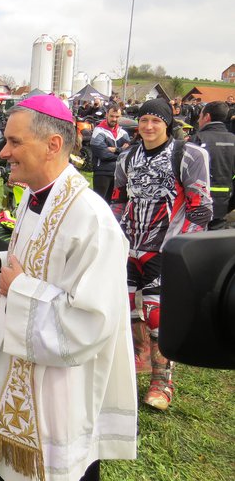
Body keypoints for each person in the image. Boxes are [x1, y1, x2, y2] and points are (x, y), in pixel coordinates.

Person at [0, 95, 137, 481]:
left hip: (54, 396)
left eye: (15, 142)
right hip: (8, 376)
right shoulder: (34, 197)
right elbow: (35, 262)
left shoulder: (92, 220)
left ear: (53, 144)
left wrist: (18, 288)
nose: (4, 151)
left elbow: (91, 321)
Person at [111, 98, 212, 410]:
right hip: (129, 246)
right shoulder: (127, 156)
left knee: (157, 314)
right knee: (124, 308)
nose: (149, 126)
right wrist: (113, 236)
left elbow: (201, 210)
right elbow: (117, 199)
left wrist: (183, 252)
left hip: (166, 247)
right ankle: (136, 362)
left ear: (168, 123)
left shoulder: (188, 154)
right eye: (144, 120)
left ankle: (162, 381)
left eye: (156, 120)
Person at [190, 101, 235, 230]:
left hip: (198, 206)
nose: (198, 120)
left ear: (207, 117)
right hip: (224, 205)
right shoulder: (233, 140)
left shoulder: (197, 139)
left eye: (200, 116)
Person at [90, 103, 130, 201]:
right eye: (112, 116)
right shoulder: (98, 131)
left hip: (119, 174)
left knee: (116, 205)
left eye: (117, 117)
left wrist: (115, 149)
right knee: (100, 203)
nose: (114, 119)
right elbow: (103, 154)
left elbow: (129, 152)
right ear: (107, 114)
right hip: (102, 173)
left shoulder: (123, 133)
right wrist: (121, 151)